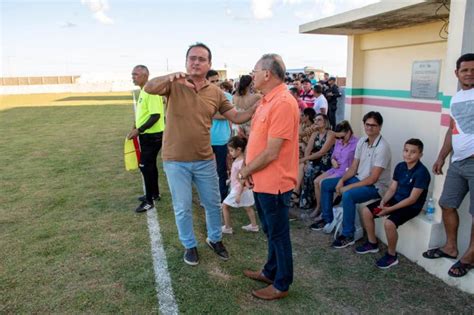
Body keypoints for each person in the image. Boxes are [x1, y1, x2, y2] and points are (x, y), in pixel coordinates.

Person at [144, 42, 257, 266]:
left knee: (213, 204)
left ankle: (214, 239)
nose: (196, 62)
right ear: (186, 62)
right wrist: (169, 76)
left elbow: (236, 116)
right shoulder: (173, 84)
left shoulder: (216, 92)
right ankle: (189, 245)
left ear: (209, 64)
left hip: (204, 159)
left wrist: (261, 106)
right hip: (175, 160)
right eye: (192, 58)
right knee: (183, 206)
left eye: (201, 59)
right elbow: (148, 87)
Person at [239, 53, 299, 300]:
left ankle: (281, 284)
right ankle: (270, 271)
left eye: (254, 70)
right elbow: (257, 139)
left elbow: (273, 151)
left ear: (267, 74)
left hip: (275, 183)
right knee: (270, 230)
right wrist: (248, 166)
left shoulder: (283, 102)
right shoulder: (267, 100)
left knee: (278, 234)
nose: (252, 75)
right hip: (262, 180)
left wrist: (245, 170)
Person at [422, 53, 474, 278]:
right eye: (465, 70)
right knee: (446, 203)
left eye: (473, 70)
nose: (469, 74)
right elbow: (452, 129)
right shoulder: (456, 99)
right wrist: (442, 156)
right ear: (457, 73)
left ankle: (470, 256)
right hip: (458, 161)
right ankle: (451, 248)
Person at [312, 111, 392, 249]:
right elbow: (354, 167)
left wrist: (347, 187)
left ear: (380, 127)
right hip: (358, 179)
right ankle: (327, 219)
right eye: (367, 124)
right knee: (325, 184)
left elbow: (372, 179)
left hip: (376, 187)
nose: (369, 128)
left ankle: (348, 234)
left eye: (373, 125)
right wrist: (342, 180)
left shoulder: (382, 147)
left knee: (348, 195)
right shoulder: (362, 141)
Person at [357, 139, 431, 269]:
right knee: (367, 211)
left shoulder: (422, 173)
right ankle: (372, 243)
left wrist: (389, 209)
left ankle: (391, 256)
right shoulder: (400, 166)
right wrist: (384, 201)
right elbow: (392, 188)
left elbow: (412, 199)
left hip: (411, 207)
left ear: (420, 155)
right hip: (395, 200)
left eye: (413, 152)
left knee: (389, 223)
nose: (408, 154)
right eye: (406, 150)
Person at [127, 65, 165, 213]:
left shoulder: (152, 92)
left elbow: (155, 116)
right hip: (146, 135)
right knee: (150, 165)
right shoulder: (143, 90)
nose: (133, 77)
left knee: (144, 166)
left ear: (145, 75)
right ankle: (154, 194)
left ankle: (149, 201)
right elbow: (144, 113)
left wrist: (139, 130)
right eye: (132, 74)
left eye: (135, 74)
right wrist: (134, 126)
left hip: (153, 135)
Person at [308, 120, 358, 219]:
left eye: (342, 137)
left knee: (323, 183)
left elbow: (357, 162)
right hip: (335, 169)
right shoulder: (339, 141)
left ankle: (325, 212)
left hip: (345, 172)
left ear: (348, 132)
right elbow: (333, 156)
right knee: (316, 181)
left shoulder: (357, 143)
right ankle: (319, 207)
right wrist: (333, 161)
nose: (340, 140)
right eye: (338, 137)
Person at [292, 114, 335, 210]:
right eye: (315, 120)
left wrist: (304, 159)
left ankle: (307, 201)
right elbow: (308, 149)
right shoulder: (315, 133)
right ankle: (302, 198)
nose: (316, 122)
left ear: (325, 122)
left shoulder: (330, 134)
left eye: (319, 120)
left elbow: (322, 152)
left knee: (309, 170)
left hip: (326, 161)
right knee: (305, 167)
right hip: (314, 159)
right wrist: (306, 161)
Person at [221, 136, 258, 234]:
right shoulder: (240, 160)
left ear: (239, 149)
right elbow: (236, 175)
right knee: (248, 207)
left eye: (231, 150)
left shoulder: (241, 162)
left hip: (239, 189)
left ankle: (227, 227)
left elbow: (242, 179)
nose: (230, 153)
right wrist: (230, 180)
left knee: (224, 206)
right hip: (244, 189)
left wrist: (238, 194)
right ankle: (254, 226)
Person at [207, 69, 232, 202]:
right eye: (213, 81)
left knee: (221, 170)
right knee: (206, 170)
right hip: (205, 139)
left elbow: (230, 115)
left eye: (217, 80)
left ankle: (223, 197)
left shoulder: (227, 96)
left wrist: (211, 113)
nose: (216, 83)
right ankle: (209, 196)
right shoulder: (201, 96)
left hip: (222, 138)